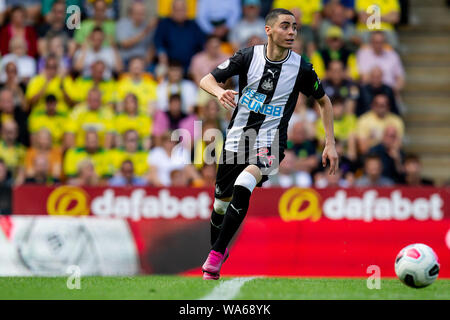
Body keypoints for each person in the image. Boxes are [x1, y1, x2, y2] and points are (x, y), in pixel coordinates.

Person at [199, 8, 338, 280]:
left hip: (271, 143)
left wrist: (330, 143)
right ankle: (219, 249)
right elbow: (207, 79)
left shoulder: (301, 67)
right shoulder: (248, 56)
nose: (291, 32)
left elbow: (324, 101)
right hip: (237, 139)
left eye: (295, 27)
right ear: (269, 30)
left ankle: (214, 256)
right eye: (285, 26)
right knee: (219, 206)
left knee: (244, 184)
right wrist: (219, 92)